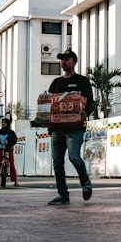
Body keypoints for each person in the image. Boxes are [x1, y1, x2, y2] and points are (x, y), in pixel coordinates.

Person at [47, 49, 96, 205]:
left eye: (67, 59)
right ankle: (63, 194)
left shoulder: (82, 81)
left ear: (74, 62)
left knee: (74, 157)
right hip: (57, 129)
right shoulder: (56, 83)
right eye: (61, 59)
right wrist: (49, 125)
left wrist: (85, 114)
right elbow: (50, 105)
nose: (63, 62)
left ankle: (86, 183)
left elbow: (91, 103)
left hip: (75, 128)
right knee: (57, 162)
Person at [0, 118, 19, 187]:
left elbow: (15, 141)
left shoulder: (11, 132)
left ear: (8, 124)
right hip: (0, 150)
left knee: (11, 164)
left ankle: (15, 181)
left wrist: (8, 142)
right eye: (2, 122)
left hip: (8, 150)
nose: (3, 123)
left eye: (5, 122)